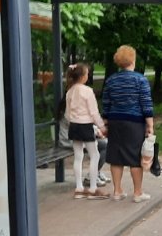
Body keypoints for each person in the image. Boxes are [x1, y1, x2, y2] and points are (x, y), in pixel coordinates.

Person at [102, 45, 155, 203]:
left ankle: (117, 191)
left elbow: (106, 103)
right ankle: (137, 193)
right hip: (134, 122)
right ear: (132, 60)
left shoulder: (111, 80)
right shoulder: (140, 79)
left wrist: (105, 122)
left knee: (116, 156)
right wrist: (150, 125)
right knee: (134, 158)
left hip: (115, 121)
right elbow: (146, 104)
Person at [64, 63, 109, 200]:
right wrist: (101, 127)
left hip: (74, 126)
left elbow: (67, 113)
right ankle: (93, 188)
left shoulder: (69, 91)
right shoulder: (87, 91)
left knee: (78, 156)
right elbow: (94, 112)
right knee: (94, 155)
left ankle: (79, 188)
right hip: (85, 125)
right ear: (83, 76)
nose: (88, 76)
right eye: (87, 74)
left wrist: (73, 120)